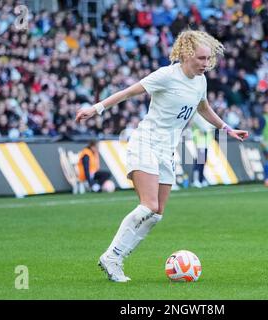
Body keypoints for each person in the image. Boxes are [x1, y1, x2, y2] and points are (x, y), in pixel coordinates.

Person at [75, 30, 249, 282]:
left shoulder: (201, 81)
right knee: (149, 205)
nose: (205, 64)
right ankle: (111, 256)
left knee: (156, 214)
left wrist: (226, 128)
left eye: (208, 59)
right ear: (187, 54)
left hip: (167, 149)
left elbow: (203, 107)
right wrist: (96, 108)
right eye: (201, 58)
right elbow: (127, 92)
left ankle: (117, 257)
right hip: (145, 143)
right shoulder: (166, 76)